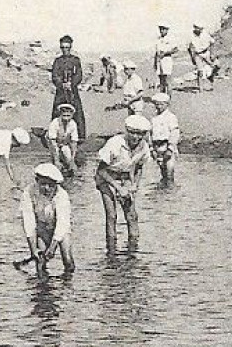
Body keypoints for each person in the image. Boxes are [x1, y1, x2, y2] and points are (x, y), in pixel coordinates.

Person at [95, 114, 151, 252]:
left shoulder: (143, 146)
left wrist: (134, 185)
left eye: (140, 134)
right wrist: (119, 188)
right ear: (127, 130)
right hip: (107, 177)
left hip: (125, 177)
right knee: (112, 215)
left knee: (131, 215)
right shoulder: (115, 143)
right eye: (132, 133)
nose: (135, 137)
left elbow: (138, 167)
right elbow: (101, 171)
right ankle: (111, 250)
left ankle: (134, 249)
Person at [20, 163, 74, 276]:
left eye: (51, 185)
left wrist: (53, 246)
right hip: (42, 227)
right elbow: (29, 222)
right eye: (43, 184)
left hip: (60, 227)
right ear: (36, 180)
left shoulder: (62, 195)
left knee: (68, 261)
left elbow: (62, 223)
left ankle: (67, 289)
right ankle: (42, 289)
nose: (47, 188)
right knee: (40, 262)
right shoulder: (28, 192)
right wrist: (33, 249)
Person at [49, 35, 87, 139]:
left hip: (73, 91)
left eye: (67, 47)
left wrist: (72, 84)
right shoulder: (57, 61)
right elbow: (54, 75)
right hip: (61, 92)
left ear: (70, 47)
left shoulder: (75, 60)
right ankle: (55, 135)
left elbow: (79, 75)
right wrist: (62, 85)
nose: (65, 50)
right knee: (58, 111)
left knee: (77, 112)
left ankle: (79, 136)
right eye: (63, 47)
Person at [148, 93, 181, 184]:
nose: (158, 106)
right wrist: (151, 148)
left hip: (167, 146)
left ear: (167, 104)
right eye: (157, 104)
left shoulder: (171, 117)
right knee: (163, 171)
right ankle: (163, 190)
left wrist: (170, 148)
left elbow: (174, 133)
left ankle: (170, 190)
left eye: (161, 104)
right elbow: (150, 133)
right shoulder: (154, 118)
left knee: (169, 170)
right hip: (157, 147)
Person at [42, 102, 81, 176]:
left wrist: (72, 160)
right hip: (52, 143)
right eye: (64, 115)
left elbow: (74, 142)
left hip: (64, 143)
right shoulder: (54, 123)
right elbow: (52, 142)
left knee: (68, 159)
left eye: (68, 115)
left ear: (72, 115)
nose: (66, 117)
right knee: (55, 160)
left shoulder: (73, 124)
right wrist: (56, 160)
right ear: (60, 114)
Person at [188, 24, 217, 89]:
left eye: (200, 29)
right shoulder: (191, 36)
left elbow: (212, 43)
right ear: (195, 28)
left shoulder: (205, 35)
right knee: (200, 71)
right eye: (197, 28)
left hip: (206, 53)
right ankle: (200, 88)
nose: (199, 30)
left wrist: (212, 53)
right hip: (198, 54)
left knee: (217, 65)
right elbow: (189, 48)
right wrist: (192, 58)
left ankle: (211, 76)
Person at [153, 25, 179, 92]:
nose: (161, 30)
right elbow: (157, 52)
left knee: (168, 80)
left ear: (167, 30)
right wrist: (155, 62)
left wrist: (165, 53)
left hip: (167, 60)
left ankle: (169, 98)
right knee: (161, 81)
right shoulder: (158, 39)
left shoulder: (170, 39)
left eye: (163, 29)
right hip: (159, 61)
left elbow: (176, 49)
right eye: (160, 29)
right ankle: (162, 97)